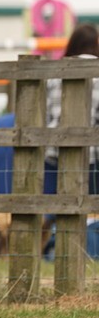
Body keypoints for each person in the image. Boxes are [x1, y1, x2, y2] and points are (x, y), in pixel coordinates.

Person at [41, 23, 99, 260]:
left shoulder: (55, 74)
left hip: (54, 151)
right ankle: (86, 254)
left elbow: (44, 115)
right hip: (91, 155)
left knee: (53, 210)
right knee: (91, 210)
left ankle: (51, 253)